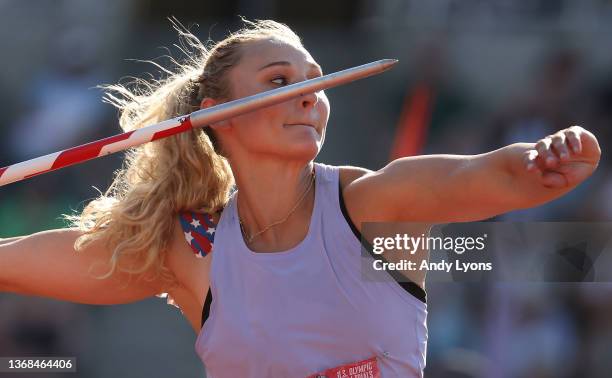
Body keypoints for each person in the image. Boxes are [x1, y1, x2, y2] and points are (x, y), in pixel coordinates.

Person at [0, 18, 602, 378]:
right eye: (279, 82)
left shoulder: (375, 208)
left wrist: (541, 158)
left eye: (314, 80)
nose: (311, 94)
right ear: (218, 116)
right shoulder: (192, 251)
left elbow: (484, 177)